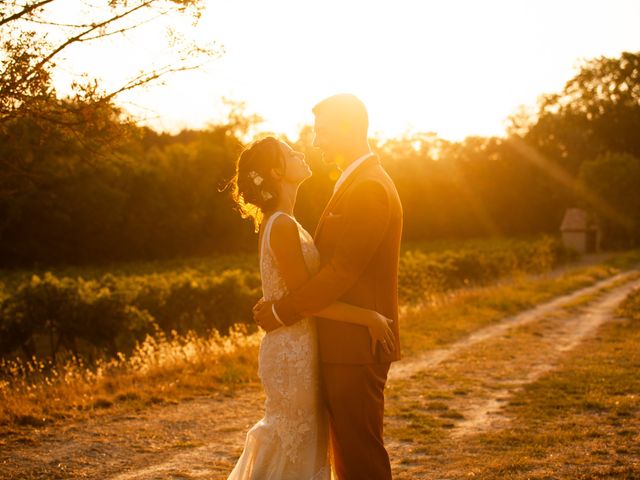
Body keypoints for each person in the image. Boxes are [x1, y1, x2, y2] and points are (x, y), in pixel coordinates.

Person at [227, 135, 396, 479]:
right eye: (290, 153)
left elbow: (304, 294)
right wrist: (367, 317)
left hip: (301, 344)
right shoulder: (283, 225)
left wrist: (278, 307)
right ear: (276, 171)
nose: (301, 152)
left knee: (302, 442)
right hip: (291, 352)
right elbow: (309, 298)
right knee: (291, 439)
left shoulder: (286, 222)